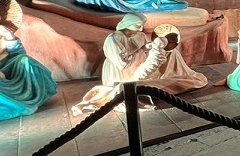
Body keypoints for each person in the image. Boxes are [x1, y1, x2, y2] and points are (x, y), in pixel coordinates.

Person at [72, 14, 208, 115]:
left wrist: (156, 50)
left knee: (171, 53)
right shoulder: (113, 39)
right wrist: (143, 50)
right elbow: (123, 64)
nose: (141, 28)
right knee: (125, 88)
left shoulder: (140, 36)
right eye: (137, 25)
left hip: (138, 67)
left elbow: (146, 53)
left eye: (142, 25)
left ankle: (173, 77)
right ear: (127, 24)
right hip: (120, 71)